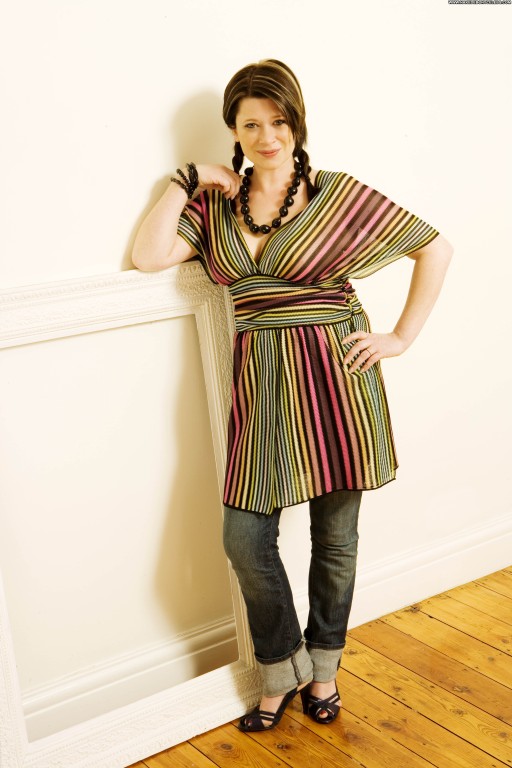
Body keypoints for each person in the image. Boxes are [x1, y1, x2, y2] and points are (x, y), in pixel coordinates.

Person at [132, 59, 453, 732]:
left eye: (278, 121)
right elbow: (149, 255)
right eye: (251, 124)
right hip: (262, 389)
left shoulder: (335, 194)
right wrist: (186, 179)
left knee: (336, 539)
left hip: (337, 378)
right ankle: (281, 667)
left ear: (297, 122)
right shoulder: (214, 206)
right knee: (245, 538)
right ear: (233, 129)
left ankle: (325, 669)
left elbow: (435, 247)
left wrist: (399, 338)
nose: (267, 136)